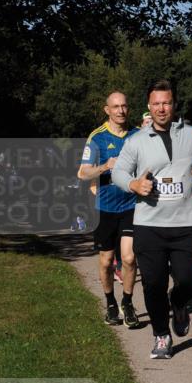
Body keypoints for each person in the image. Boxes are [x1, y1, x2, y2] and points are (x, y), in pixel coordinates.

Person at [112, 80, 192, 360]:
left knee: (190, 280)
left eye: (166, 103)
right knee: (153, 284)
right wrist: (133, 184)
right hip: (149, 225)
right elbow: (119, 172)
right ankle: (161, 335)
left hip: (186, 224)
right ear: (149, 106)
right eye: (156, 103)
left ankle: (178, 302)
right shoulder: (136, 141)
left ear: (174, 104)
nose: (161, 108)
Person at [78, 91, 140, 328]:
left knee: (129, 257)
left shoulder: (138, 134)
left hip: (132, 205)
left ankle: (128, 302)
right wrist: (105, 166)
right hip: (105, 208)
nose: (121, 111)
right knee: (106, 261)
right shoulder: (97, 137)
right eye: (116, 107)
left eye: (124, 106)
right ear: (107, 110)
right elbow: (83, 173)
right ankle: (111, 302)